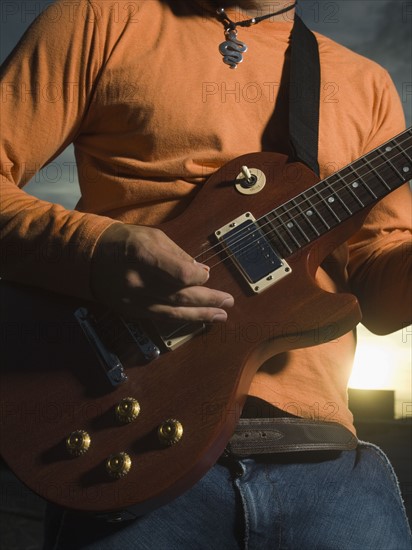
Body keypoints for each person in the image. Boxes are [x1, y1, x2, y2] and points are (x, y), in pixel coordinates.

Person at [1, 0, 411, 548]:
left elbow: (379, 288)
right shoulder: (102, 18)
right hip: (127, 433)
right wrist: (97, 251)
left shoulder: (366, 84)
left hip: (322, 459)